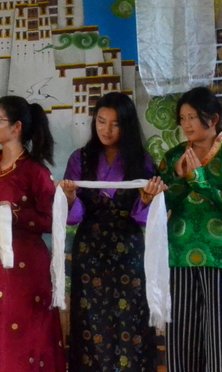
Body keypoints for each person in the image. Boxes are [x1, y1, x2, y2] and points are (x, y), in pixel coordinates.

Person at [57, 92, 158, 372]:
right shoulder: (81, 159)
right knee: (92, 323)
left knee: (132, 321)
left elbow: (143, 216)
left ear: (126, 126)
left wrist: (148, 200)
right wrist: (67, 198)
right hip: (91, 251)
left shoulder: (142, 161)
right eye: (101, 121)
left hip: (129, 251)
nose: (106, 129)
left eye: (115, 124)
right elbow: (74, 216)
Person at [151, 86, 222, 372]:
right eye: (182, 118)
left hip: (221, 255)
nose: (186, 124)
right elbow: (163, 202)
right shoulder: (172, 157)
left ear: (213, 119)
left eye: (193, 117)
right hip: (179, 254)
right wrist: (178, 181)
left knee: (221, 337)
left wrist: (200, 180)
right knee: (181, 337)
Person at [0, 96, 64, 372]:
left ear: (16, 127)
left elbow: (49, 221)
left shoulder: (36, 172)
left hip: (26, 270)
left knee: (24, 341)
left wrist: (15, 215)